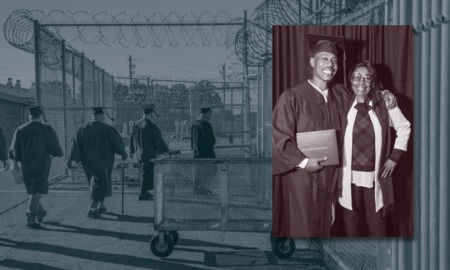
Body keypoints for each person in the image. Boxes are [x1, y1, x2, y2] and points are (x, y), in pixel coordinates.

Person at [272, 34, 397, 237]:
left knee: (328, 229)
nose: (330, 64)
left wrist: (385, 93)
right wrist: (304, 162)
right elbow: (278, 139)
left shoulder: (340, 95)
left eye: (334, 60)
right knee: (304, 230)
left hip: (333, 178)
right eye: (324, 59)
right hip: (303, 180)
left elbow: (365, 93)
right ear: (312, 61)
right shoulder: (293, 97)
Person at [338, 61, 411, 237]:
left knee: (377, 224)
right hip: (349, 176)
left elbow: (404, 127)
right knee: (350, 221)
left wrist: (394, 157)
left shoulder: (384, 104)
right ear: (350, 80)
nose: (361, 82)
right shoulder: (344, 103)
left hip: (374, 176)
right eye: (356, 77)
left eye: (367, 77)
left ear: (373, 81)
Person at [9, 106, 64, 228]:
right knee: (37, 191)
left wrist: (16, 165)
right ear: (40, 116)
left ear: (30, 116)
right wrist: (54, 156)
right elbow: (55, 148)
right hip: (41, 164)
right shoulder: (46, 129)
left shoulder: (20, 129)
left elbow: (14, 149)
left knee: (33, 191)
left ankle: (40, 212)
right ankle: (30, 217)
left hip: (26, 165)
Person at [67, 107, 127, 218]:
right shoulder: (108, 129)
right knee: (100, 182)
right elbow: (118, 143)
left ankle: (100, 204)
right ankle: (92, 209)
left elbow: (75, 145)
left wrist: (70, 160)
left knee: (94, 182)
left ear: (92, 115)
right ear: (102, 115)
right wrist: (123, 153)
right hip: (104, 161)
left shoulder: (82, 129)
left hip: (87, 162)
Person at [129, 104, 169, 201]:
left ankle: (145, 192)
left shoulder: (136, 124)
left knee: (145, 172)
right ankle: (142, 194)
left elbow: (132, 138)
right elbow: (158, 139)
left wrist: (132, 150)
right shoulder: (151, 126)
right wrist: (164, 150)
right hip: (148, 153)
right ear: (151, 113)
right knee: (147, 173)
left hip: (139, 153)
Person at [191, 107, 216, 195]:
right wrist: (212, 144)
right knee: (211, 170)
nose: (210, 115)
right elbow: (210, 140)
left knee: (198, 171)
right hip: (206, 153)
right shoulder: (206, 124)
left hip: (196, 153)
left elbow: (192, 141)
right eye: (210, 113)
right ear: (206, 113)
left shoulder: (195, 124)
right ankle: (202, 188)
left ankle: (200, 188)